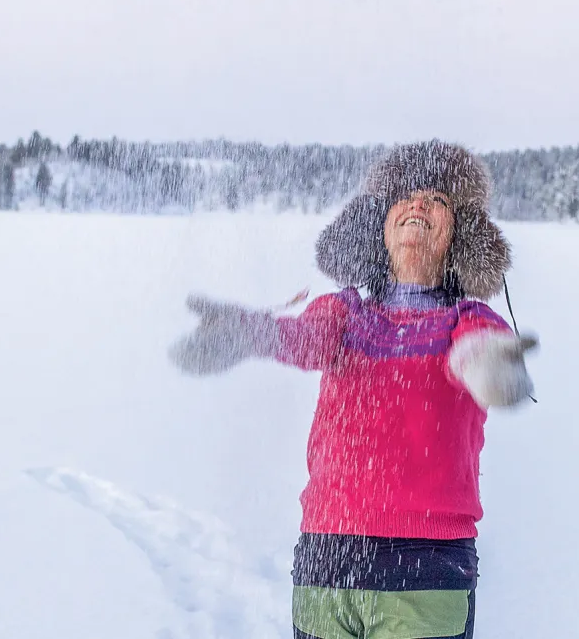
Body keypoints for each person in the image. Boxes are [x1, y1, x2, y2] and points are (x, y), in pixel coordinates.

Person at [168, 140, 539, 639]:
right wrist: (248, 333)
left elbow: (477, 356)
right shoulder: (345, 312)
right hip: (328, 555)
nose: (418, 203)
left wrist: (494, 370)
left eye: (438, 199)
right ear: (379, 228)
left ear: (461, 234)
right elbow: (302, 339)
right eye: (403, 197)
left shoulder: (467, 319)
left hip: (426, 564)